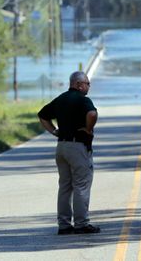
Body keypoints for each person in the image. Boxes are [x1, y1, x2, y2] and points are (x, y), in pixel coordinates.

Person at [38, 71, 100, 235]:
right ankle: (81, 224)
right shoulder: (83, 100)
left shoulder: (61, 99)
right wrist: (88, 128)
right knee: (81, 185)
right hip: (78, 146)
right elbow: (92, 114)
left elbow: (42, 115)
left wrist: (54, 131)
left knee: (65, 186)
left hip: (62, 146)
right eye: (87, 83)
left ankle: (64, 224)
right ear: (79, 84)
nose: (88, 86)